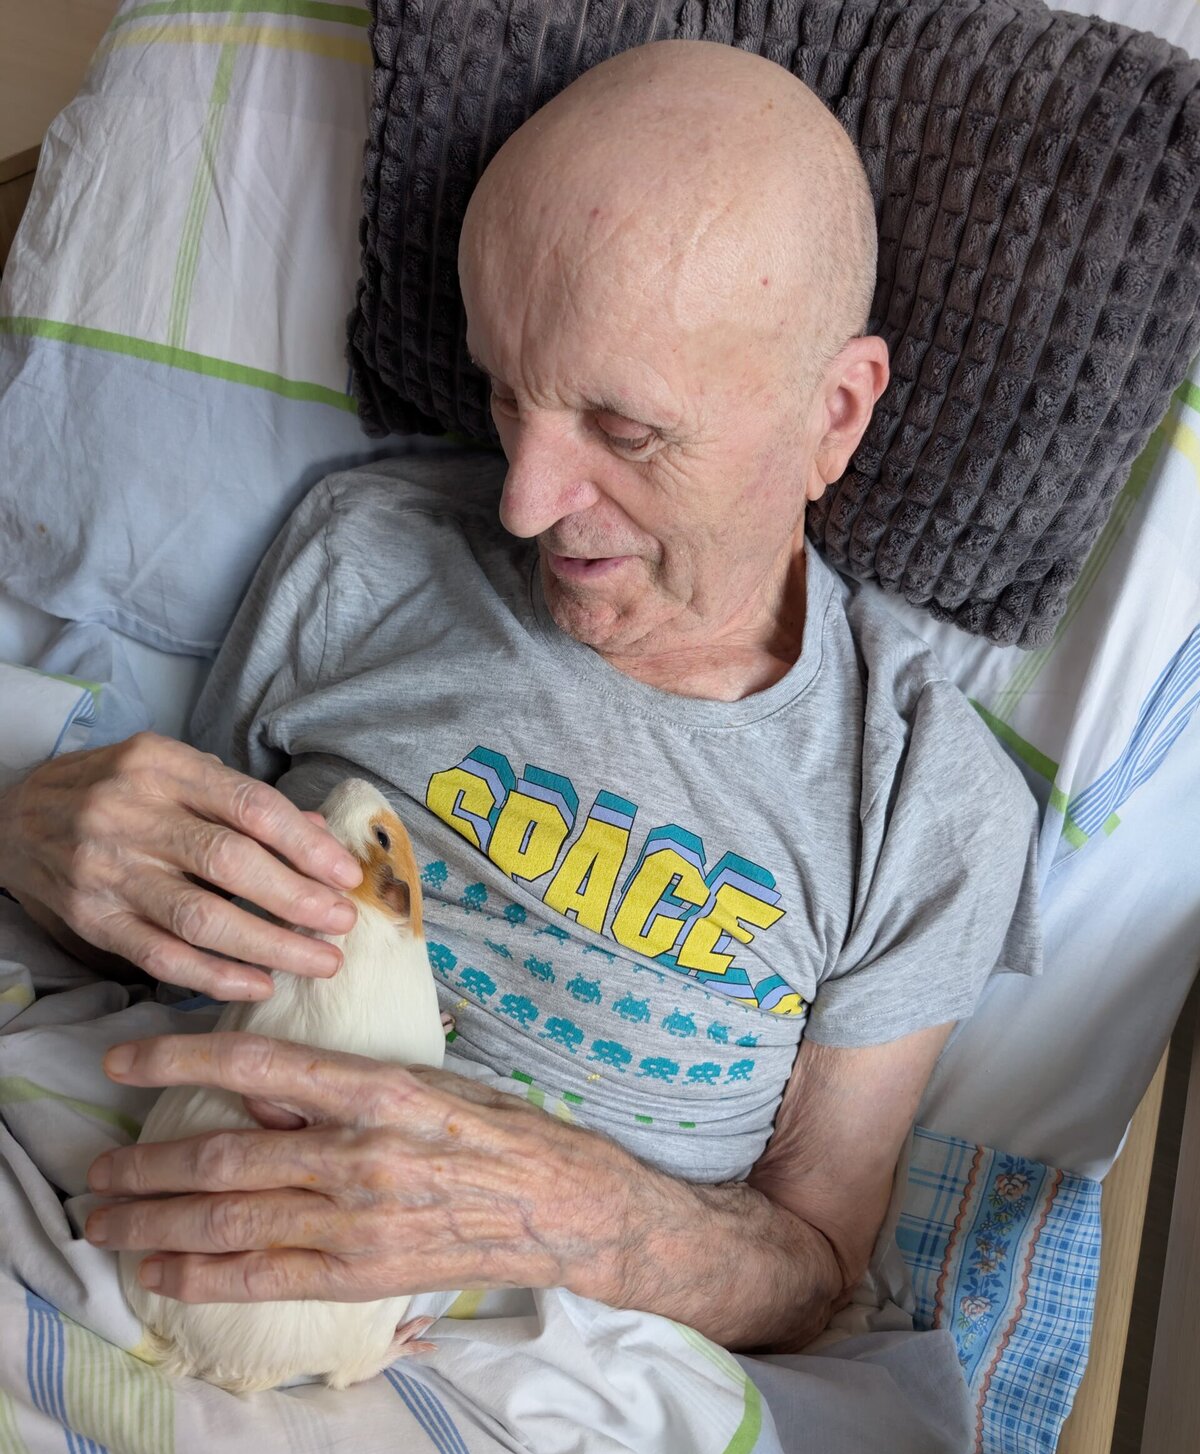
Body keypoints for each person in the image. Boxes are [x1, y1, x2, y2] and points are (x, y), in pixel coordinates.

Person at [0, 41, 1040, 1352]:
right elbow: (158, 948)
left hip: (555, 1369)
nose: (525, 502)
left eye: (625, 430)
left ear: (833, 413)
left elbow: (816, 1263)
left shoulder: (923, 803)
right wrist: (34, 835)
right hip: (145, 1225)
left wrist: (562, 1216)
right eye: (504, 393)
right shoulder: (363, 557)